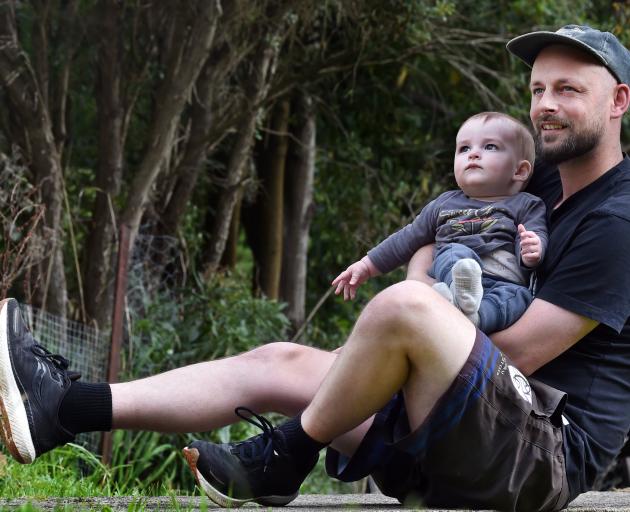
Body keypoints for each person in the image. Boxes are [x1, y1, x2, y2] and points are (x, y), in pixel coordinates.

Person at [0, 24, 629, 512]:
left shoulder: (617, 221)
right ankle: (63, 408)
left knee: (404, 308)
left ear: (619, 101)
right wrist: (412, 296)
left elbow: (516, 353)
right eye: (538, 90)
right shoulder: (540, 183)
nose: (546, 105)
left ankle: (286, 454)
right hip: (464, 422)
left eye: (569, 91)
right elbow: (440, 226)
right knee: (281, 358)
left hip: (537, 457)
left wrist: (408, 323)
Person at [332, 111, 547, 333]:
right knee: (453, 252)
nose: (473, 154)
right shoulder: (444, 204)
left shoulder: (526, 204)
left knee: (517, 298)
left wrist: (532, 251)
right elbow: (407, 238)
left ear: (519, 170)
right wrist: (366, 266)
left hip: (504, 280)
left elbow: (535, 235)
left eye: (490, 147)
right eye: (464, 148)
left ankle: (473, 317)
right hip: (455, 271)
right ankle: (458, 290)